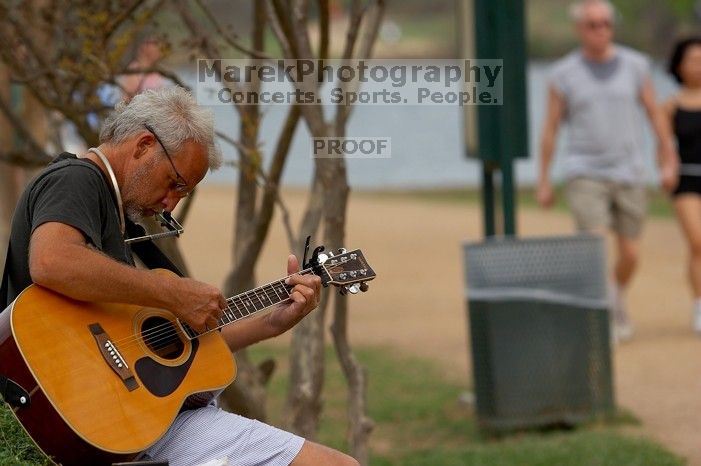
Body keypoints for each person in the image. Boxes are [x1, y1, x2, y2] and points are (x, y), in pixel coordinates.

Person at [0, 86, 358, 466]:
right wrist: (169, 292)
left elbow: (176, 344)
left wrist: (273, 323)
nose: (171, 202)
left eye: (184, 193)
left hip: (126, 418)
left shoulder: (122, 221)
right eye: (175, 183)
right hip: (74, 408)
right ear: (143, 145)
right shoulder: (77, 179)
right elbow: (52, 260)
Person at [536, 0, 677, 341]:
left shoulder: (636, 66)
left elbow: (654, 114)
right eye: (592, 24)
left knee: (630, 253)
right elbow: (551, 129)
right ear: (579, 29)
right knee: (595, 245)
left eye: (605, 24)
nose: (600, 30)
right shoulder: (563, 74)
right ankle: (601, 318)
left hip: (629, 170)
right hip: (584, 170)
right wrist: (543, 179)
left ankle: (616, 296)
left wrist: (667, 158)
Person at [661, 37, 701, 334]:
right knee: (698, 242)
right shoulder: (670, 106)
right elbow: (663, 146)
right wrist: (666, 169)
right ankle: (700, 303)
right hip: (687, 178)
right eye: (693, 60)